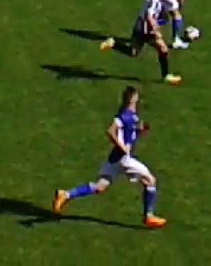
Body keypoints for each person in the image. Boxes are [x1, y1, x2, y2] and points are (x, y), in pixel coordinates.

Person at [52, 85, 168, 229]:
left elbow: (128, 132)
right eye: (136, 96)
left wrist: (138, 132)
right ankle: (149, 216)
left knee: (100, 186)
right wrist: (122, 146)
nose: (138, 98)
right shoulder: (124, 115)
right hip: (124, 159)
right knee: (150, 180)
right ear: (132, 98)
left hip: (115, 158)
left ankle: (65, 194)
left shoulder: (132, 116)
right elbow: (110, 131)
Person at [100, 0, 183, 85]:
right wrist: (154, 30)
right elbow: (148, 15)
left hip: (139, 26)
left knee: (133, 52)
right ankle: (166, 76)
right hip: (146, 27)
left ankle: (113, 43)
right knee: (163, 49)